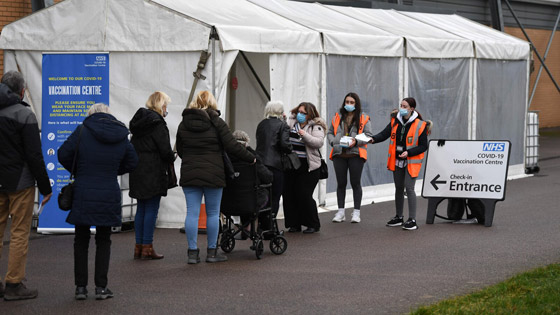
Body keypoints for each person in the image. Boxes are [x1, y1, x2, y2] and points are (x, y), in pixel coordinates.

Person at [58, 103, 138, 300]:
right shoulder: (121, 134)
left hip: (83, 189)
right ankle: (101, 287)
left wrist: (78, 169)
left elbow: (62, 154)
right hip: (108, 191)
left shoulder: (82, 130)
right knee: (104, 240)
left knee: (81, 240)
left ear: (90, 114)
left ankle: (80, 288)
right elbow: (133, 161)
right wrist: (113, 169)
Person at [176, 91, 255, 264]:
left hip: (190, 174)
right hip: (214, 174)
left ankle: (192, 253)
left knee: (192, 213)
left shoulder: (184, 124)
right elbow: (232, 146)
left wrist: (191, 160)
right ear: (212, 104)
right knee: (213, 214)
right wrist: (252, 158)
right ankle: (212, 253)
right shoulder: (217, 122)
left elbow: (180, 149)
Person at [0, 71, 53, 301]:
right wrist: (45, 187)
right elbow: (34, 155)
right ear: (21, 91)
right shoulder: (25, 115)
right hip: (20, 182)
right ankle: (13, 284)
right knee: (20, 232)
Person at [371, 97, 431, 231]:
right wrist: (372, 139)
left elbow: (423, 146)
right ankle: (399, 217)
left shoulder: (420, 125)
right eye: (401, 105)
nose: (402, 108)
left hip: (411, 161)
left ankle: (412, 219)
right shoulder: (395, 121)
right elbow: (384, 134)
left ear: (412, 109)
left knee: (409, 188)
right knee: (398, 187)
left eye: (405, 106)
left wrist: (409, 152)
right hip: (397, 160)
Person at [129, 91, 175, 260]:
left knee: (141, 208)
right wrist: (172, 156)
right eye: (166, 105)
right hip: (154, 170)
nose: (166, 109)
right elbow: (165, 151)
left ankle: (138, 246)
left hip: (137, 170)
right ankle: (148, 246)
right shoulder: (158, 124)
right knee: (152, 209)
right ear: (160, 106)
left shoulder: (137, 124)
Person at [327, 92, 373, 224]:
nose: (348, 104)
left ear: (356, 104)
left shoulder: (364, 118)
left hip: (356, 155)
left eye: (352, 102)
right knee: (341, 184)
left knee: (355, 183)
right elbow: (329, 132)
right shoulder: (337, 117)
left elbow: (369, 135)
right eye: (347, 102)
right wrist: (333, 142)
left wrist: (355, 141)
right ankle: (341, 212)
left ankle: (356, 212)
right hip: (339, 155)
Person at [283, 102, 326, 234]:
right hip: (291, 164)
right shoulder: (291, 123)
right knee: (289, 194)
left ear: (310, 115)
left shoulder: (316, 126)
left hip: (309, 166)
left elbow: (318, 142)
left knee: (304, 194)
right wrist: (282, 120)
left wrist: (304, 135)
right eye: (299, 112)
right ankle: (294, 224)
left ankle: (313, 223)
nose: (300, 115)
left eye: (303, 113)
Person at [255, 101, 292, 235]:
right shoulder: (283, 125)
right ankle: (270, 226)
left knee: (263, 195)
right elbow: (285, 145)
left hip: (260, 164)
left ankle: (261, 225)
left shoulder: (261, 124)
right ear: (281, 112)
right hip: (276, 165)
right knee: (275, 196)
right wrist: (290, 148)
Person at [232, 130, 273, 239]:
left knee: (241, 193)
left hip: (228, 201)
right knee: (264, 193)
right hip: (251, 200)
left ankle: (246, 227)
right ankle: (265, 228)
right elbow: (267, 177)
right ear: (246, 143)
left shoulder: (226, 157)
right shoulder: (252, 157)